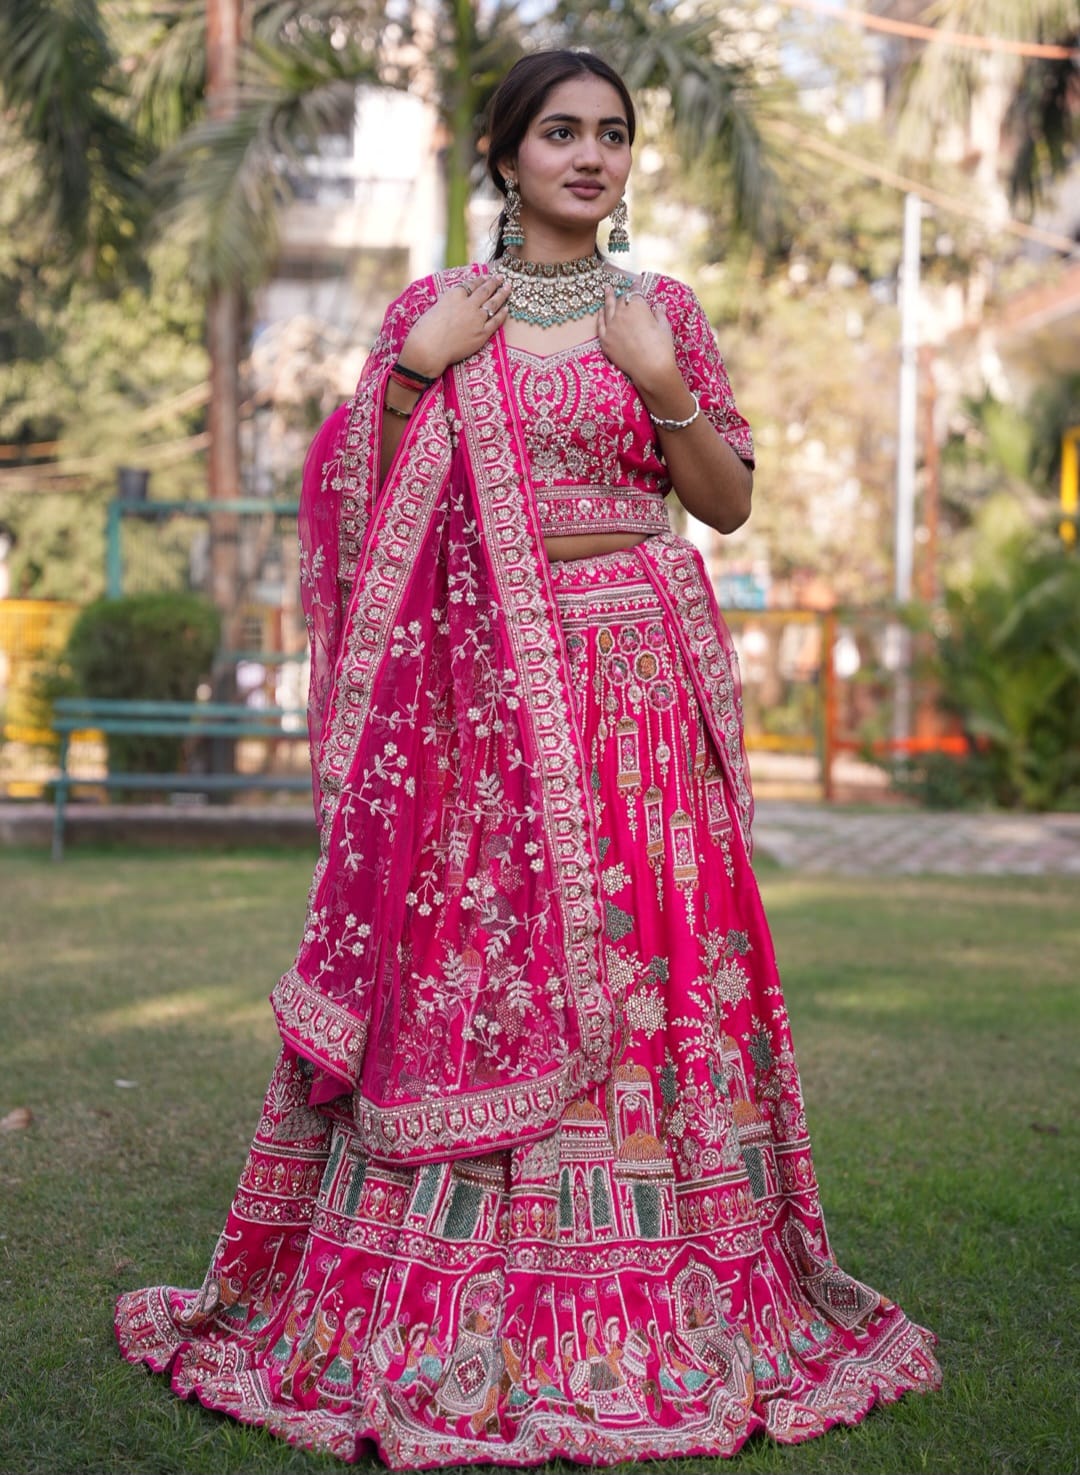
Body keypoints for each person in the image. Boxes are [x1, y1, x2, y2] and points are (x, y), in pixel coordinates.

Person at [115, 48, 941, 1467]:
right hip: (479, 691)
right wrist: (406, 381)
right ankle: (450, 1270)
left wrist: (663, 383)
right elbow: (363, 517)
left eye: (612, 135)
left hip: (635, 675)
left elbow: (729, 506)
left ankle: (680, 1263)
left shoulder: (659, 311)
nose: (589, 156)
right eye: (559, 132)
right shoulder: (436, 312)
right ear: (502, 157)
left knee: (651, 952)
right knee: (475, 947)